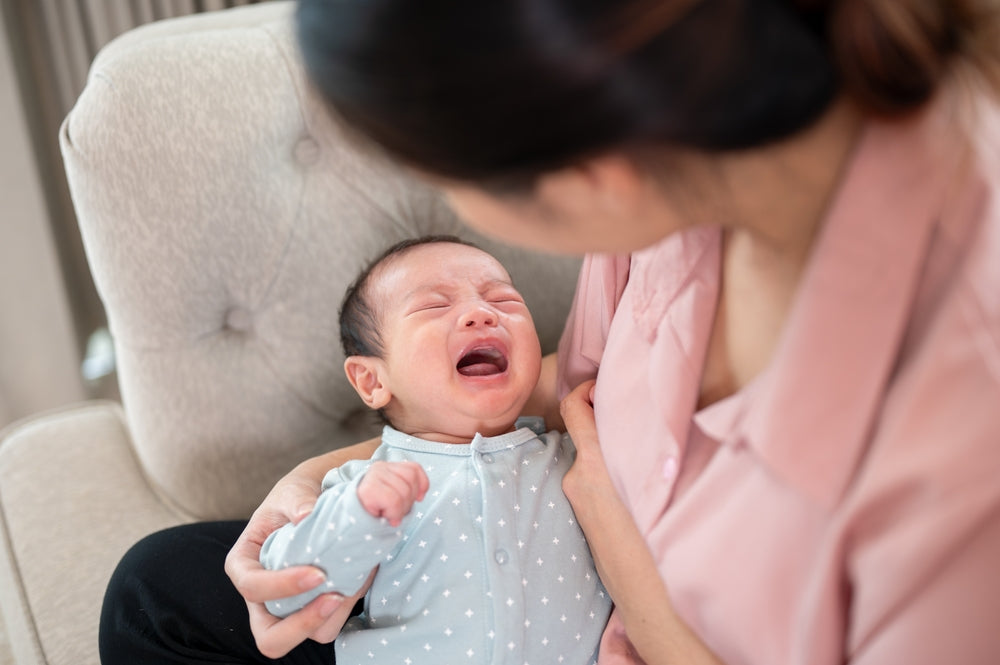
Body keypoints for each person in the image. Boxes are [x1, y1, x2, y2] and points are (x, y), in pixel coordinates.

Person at [100, 0, 1000, 663]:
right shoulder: (676, 186)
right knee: (155, 587)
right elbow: (545, 391)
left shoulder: (958, 466)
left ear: (590, 171)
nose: (482, 302)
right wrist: (320, 482)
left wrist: (612, 535)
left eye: (453, 182)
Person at [257, 235, 610, 663]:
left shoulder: (576, 459)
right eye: (433, 306)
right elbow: (285, 595)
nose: (482, 314)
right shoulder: (364, 486)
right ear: (372, 381)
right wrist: (353, 519)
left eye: (505, 300)